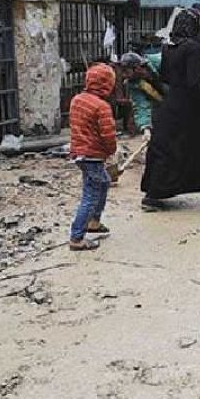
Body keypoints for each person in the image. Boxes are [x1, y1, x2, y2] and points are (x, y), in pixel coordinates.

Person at [140, 9, 200, 211]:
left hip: (171, 105)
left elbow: (167, 77)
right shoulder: (192, 48)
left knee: (166, 149)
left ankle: (153, 194)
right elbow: (193, 84)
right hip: (192, 108)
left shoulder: (168, 47)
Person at [68, 64, 118, 251]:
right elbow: (108, 134)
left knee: (103, 182)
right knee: (91, 194)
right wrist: (111, 151)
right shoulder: (101, 106)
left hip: (79, 153)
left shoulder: (77, 100)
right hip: (93, 155)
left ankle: (94, 222)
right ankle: (77, 237)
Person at [117, 52, 163, 136]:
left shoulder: (159, 61)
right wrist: (145, 128)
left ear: (137, 68)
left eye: (126, 71)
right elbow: (141, 105)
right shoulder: (134, 83)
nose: (124, 75)